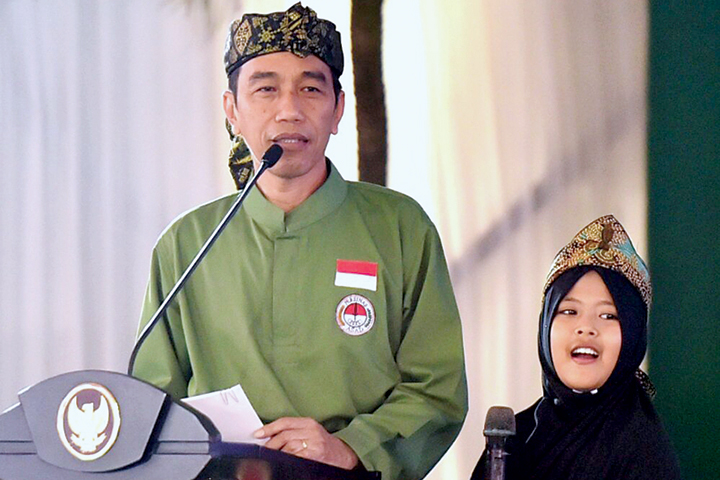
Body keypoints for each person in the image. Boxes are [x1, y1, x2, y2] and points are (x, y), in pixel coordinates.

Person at [132, 3, 468, 479]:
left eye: (311, 89)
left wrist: (349, 447)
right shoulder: (186, 244)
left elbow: (437, 390)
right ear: (232, 111)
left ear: (338, 109)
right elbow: (153, 401)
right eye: (265, 89)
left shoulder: (401, 229)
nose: (289, 110)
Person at [471, 215, 682, 479]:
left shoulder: (643, 454)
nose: (586, 327)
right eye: (569, 311)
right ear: (546, 325)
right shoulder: (513, 441)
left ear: (633, 336)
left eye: (608, 315)